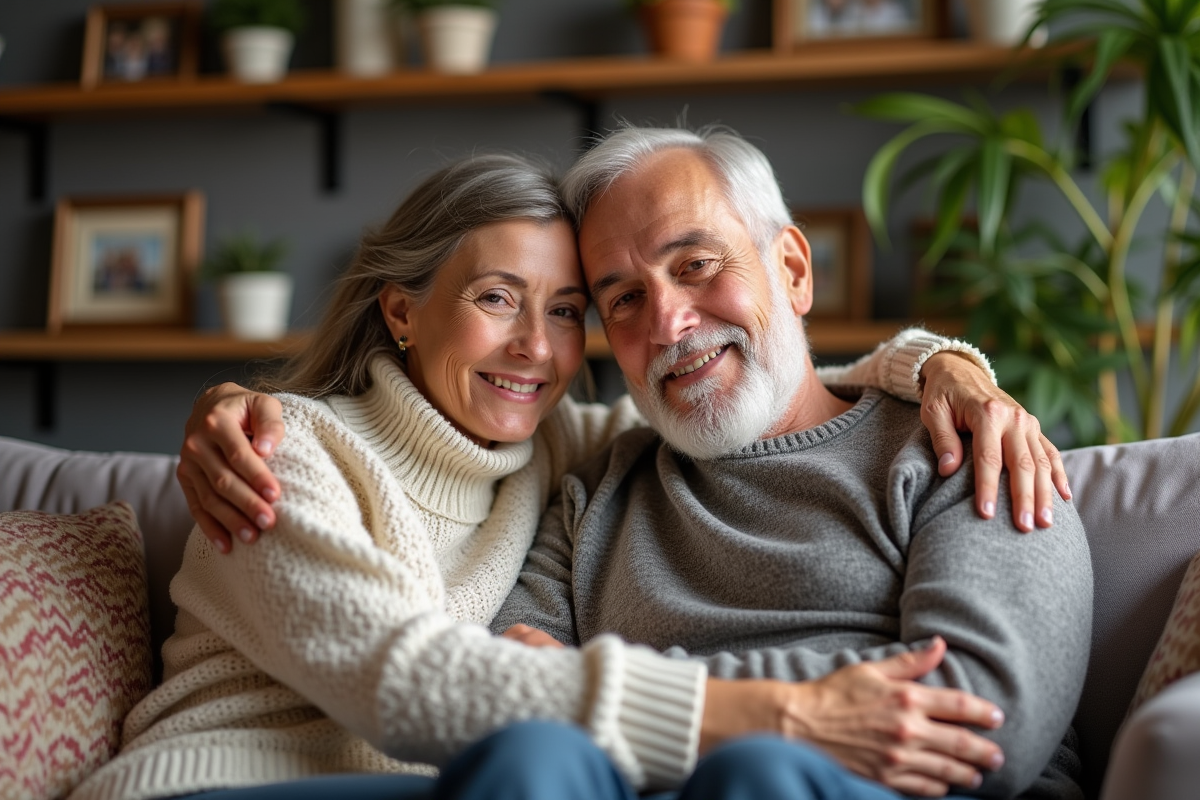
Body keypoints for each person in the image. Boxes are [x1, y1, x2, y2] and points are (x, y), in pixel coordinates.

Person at [115, 149, 1061, 800]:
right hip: (231, 780)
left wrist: (943, 367)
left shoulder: (561, 447)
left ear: (793, 267)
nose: (535, 347)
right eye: (497, 299)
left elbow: (763, 401)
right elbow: (410, 684)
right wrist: (780, 710)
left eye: (569, 310)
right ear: (401, 313)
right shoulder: (281, 449)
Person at [487, 126, 1093, 799]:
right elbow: (509, 689)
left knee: (757, 774)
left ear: (794, 272)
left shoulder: (965, 445)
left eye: (695, 265)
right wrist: (771, 713)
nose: (666, 323)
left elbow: (984, 722)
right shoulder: (594, 492)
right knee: (528, 762)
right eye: (624, 298)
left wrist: (628, 700)